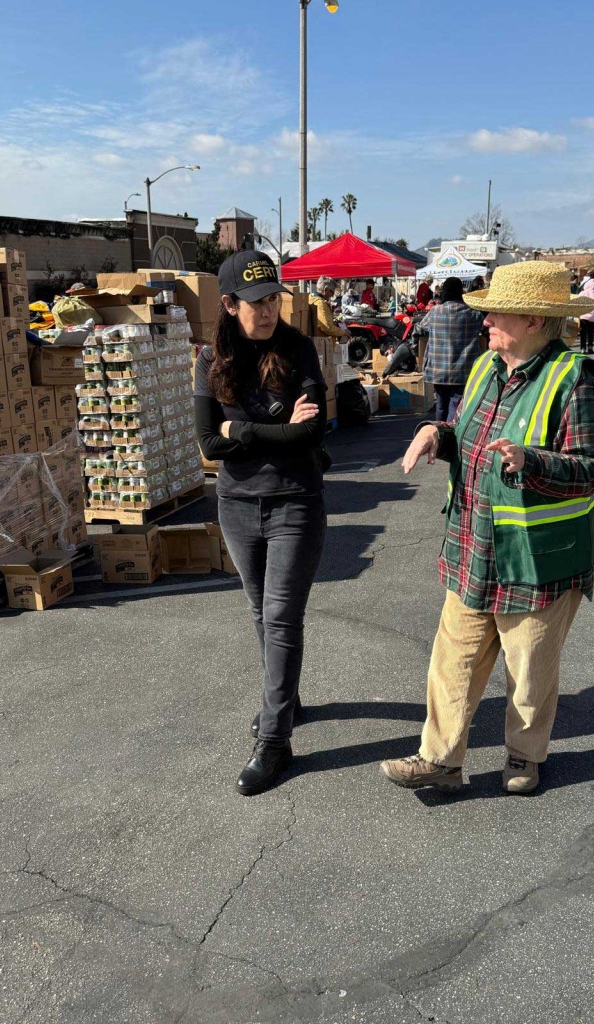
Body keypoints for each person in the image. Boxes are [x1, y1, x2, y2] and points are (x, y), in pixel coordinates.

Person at [380, 261, 594, 796]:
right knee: (451, 661)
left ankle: (524, 756)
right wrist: (437, 433)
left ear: (531, 319)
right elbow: (467, 433)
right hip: (474, 544)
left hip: (537, 558)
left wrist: (532, 462)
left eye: (494, 312)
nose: (484, 321)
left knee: (528, 671)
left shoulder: (575, 376)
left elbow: (592, 469)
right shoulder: (485, 366)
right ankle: (440, 760)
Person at [194, 251, 328, 796]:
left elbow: (310, 436)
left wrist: (241, 430)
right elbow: (207, 444)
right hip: (237, 505)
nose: (268, 309)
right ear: (229, 304)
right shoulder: (209, 358)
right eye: (256, 302)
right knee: (259, 609)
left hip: (296, 500)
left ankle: (275, 739)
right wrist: (270, 427)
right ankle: (286, 698)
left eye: (273, 298)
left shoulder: (298, 350)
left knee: (279, 617)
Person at [416, 276, 484, 421]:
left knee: (440, 405)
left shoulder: (435, 312)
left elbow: (420, 328)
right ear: (461, 292)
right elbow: (485, 328)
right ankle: (451, 436)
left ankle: (439, 435)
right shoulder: (474, 314)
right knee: (457, 404)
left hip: (438, 370)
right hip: (463, 370)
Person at [310, 275, 349, 342]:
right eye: (332, 292)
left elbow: (322, 322)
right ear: (325, 290)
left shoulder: (312, 299)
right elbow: (327, 328)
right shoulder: (320, 304)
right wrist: (344, 332)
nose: (333, 295)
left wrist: (334, 322)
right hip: (322, 343)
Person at [578, 271, 594, 353]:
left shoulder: (581, 293)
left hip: (583, 316)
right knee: (590, 333)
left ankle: (582, 348)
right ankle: (590, 347)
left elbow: (578, 304)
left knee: (583, 333)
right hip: (593, 317)